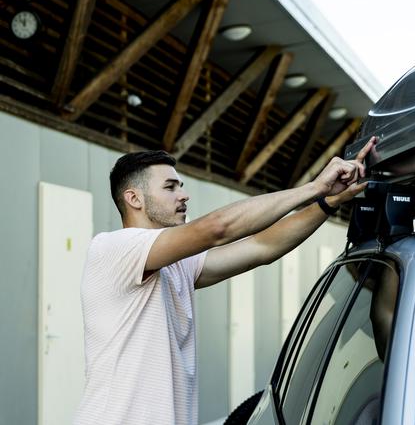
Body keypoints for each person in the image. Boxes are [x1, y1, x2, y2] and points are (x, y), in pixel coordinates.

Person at [73, 137, 377, 425]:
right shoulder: (115, 248)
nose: (183, 194)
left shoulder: (175, 264)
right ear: (134, 198)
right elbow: (218, 228)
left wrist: (330, 201)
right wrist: (314, 188)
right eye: (170, 187)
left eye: (180, 185)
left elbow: (262, 248)